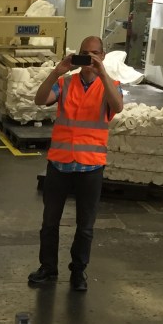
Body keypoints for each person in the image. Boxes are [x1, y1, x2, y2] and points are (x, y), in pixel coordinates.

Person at [28, 36, 123, 292]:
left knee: (85, 227)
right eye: (85, 53)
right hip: (59, 164)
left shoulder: (111, 85)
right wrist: (56, 71)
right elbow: (40, 100)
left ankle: (78, 271)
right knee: (50, 222)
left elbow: (117, 106)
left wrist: (103, 74)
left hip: (90, 167)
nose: (90, 58)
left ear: (103, 56)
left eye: (95, 53)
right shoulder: (65, 83)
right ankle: (48, 267)